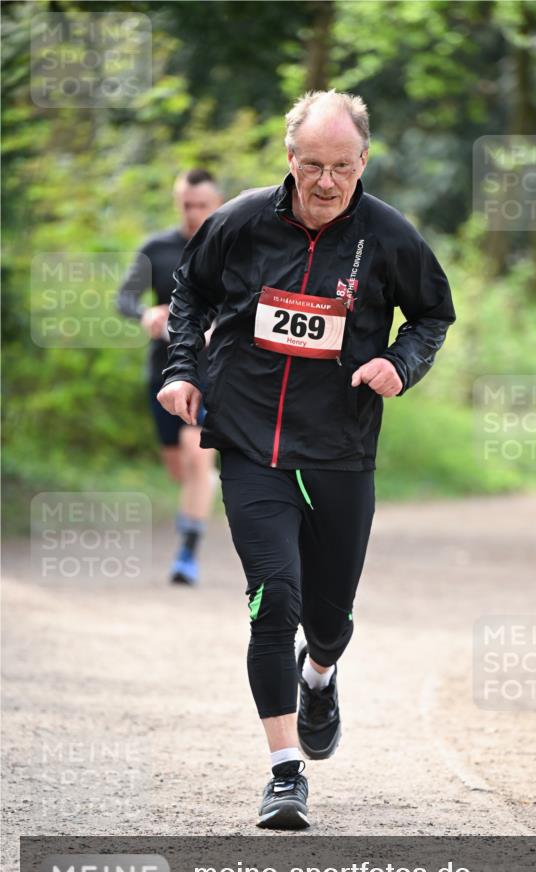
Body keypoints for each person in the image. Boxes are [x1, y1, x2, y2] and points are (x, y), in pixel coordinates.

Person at [158, 90, 456, 829]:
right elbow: (189, 294)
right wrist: (182, 371)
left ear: (363, 162)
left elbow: (431, 314)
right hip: (251, 440)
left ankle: (319, 674)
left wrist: (398, 363)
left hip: (339, 448)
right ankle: (284, 772)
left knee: (327, 619)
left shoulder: (389, 236)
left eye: (342, 167)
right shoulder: (239, 221)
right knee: (273, 602)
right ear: (289, 160)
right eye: (313, 165)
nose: (326, 182)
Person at [117, 168, 224, 582]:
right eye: (187, 205)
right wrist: (145, 313)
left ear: (216, 205)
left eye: (203, 205)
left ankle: (187, 555)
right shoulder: (156, 248)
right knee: (179, 467)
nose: (194, 213)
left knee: (197, 456)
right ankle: (203, 486)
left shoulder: (231, 248)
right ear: (177, 202)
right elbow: (124, 297)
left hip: (211, 368)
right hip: (162, 367)